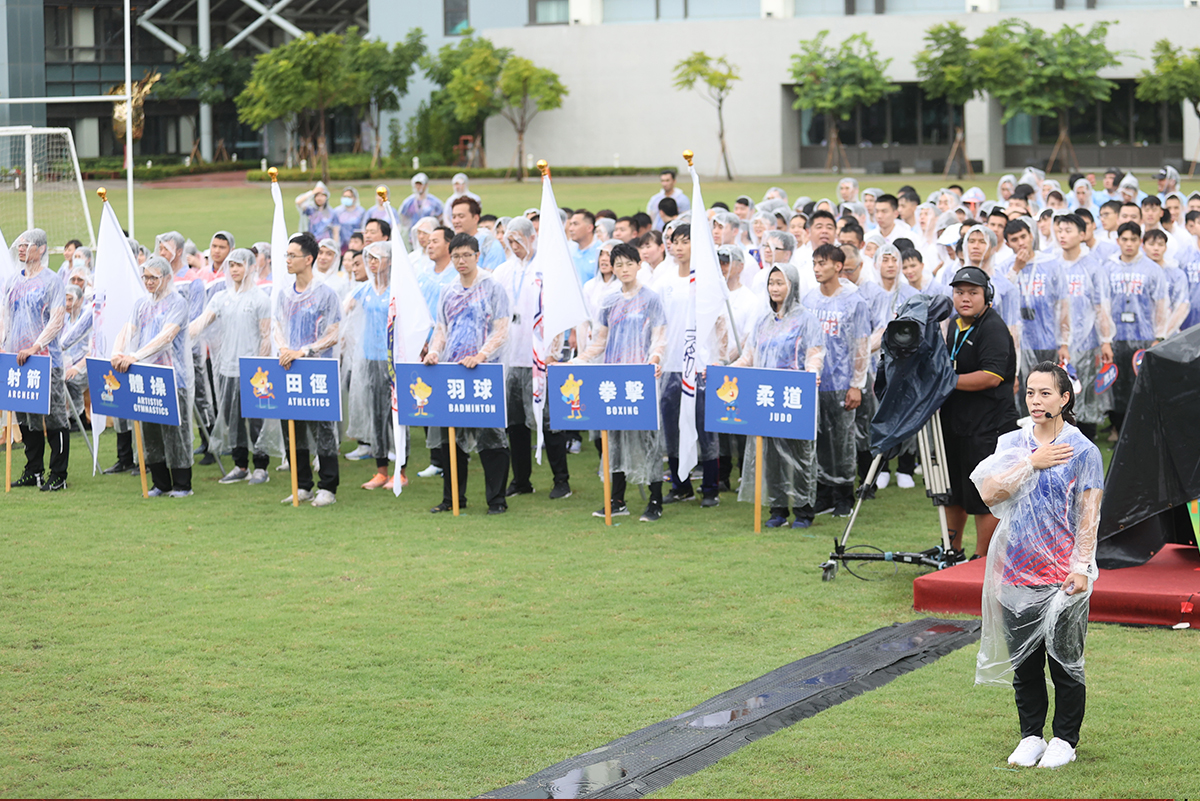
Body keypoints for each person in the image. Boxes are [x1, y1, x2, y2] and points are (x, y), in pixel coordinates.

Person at [973, 361, 1101, 770]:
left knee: (1065, 660)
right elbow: (989, 493)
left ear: (1064, 399)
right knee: (1024, 665)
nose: (1036, 400)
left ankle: (1065, 738)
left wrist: (1082, 566)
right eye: (1030, 392)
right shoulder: (1013, 441)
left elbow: (1089, 512)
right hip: (1016, 570)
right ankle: (1031, 735)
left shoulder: (1084, 450)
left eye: (1045, 393)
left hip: (1063, 574)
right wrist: (1032, 461)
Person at [571, 242, 668, 522]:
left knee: (648, 439)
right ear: (612, 268)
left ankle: (654, 500)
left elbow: (659, 335)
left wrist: (655, 359)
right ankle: (617, 499)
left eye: (629, 263)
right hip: (613, 379)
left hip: (640, 379)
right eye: (619, 265)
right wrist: (579, 360)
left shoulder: (651, 298)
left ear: (639, 265)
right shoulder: (609, 301)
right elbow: (599, 340)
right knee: (613, 439)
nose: (624, 269)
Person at [729, 262, 825, 527]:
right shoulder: (763, 321)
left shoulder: (806, 318)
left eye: (780, 282)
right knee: (771, 456)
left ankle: (804, 510)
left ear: (792, 286)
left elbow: (814, 353)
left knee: (800, 456)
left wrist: (812, 371)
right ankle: (778, 510)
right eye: (772, 283)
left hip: (794, 396)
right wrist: (723, 371)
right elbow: (748, 356)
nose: (775, 288)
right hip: (766, 396)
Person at [422, 233, 512, 515]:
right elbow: (441, 328)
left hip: (484, 370)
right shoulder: (448, 290)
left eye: (466, 255)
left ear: (477, 256)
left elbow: (502, 329)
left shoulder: (492, 287)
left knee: (491, 438)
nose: (461, 261)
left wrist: (481, 355)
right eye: (456, 256)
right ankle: (452, 499)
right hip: (453, 371)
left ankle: (496, 499)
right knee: (452, 436)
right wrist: (435, 352)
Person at [942, 266, 1019, 557]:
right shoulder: (954, 325)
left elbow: (991, 375)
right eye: (959, 292)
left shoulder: (993, 327)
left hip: (988, 426)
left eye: (972, 292)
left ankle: (982, 559)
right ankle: (952, 550)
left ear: (986, 296)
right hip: (957, 422)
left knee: (984, 495)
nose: (964, 298)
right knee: (954, 492)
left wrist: (947, 381)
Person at [495, 217, 572, 500]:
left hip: (539, 357)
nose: (514, 246)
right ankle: (521, 479)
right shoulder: (503, 271)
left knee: (547, 420)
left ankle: (561, 480)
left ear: (531, 238)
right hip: (510, 357)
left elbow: (557, 312)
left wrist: (553, 351)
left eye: (518, 241)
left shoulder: (545, 270)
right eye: (509, 242)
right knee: (515, 423)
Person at [188, 248, 275, 485]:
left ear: (250, 266)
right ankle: (240, 465)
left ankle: (261, 466)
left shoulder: (260, 299)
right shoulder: (221, 298)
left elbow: (266, 335)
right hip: (227, 368)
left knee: (255, 419)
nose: (235, 270)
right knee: (232, 419)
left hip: (253, 370)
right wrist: (181, 335)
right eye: (231, 265)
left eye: (239, 265)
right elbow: (201, 322)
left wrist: (259, 365)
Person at [110, 255, 194, 497]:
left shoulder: (177, 303)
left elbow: (166, 337)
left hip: (171, 375)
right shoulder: (142, 304)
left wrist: (136, 355)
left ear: (166, 278)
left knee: (175, 430)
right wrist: (118, 351)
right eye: (145, 277)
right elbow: (128, 329)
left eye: (153, 277)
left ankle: (182, 483)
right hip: (145, 375)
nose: (148, 281)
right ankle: (160, 482)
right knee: (150, 431)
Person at [274, 232, 342, 507]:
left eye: (293, 255)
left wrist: (305, 350)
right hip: (288, 366)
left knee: (322, 428)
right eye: (287, 255)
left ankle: (328, 485)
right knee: (293, 427)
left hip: (316, 369)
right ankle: (302, 484)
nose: (288, 260)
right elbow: (278, 326)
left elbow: (334, 333)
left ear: (308, 259)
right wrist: (283, 348)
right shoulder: (284, 294)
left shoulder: (325, 293)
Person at [2, 228, 69, 491]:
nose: (20, 249)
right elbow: (5, 316)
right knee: (25, 417)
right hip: (17, 360)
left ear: (40, 249)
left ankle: (59, 474)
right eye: (18, 245)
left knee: (53, 418)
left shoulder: (52, 281)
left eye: (26, 245)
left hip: (44, 359)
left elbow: (57, 319)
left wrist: (36, 345)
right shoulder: (12, 281)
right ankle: (34, 470)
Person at [805, 244, 869, 517]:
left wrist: (857, 384)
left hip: (842, 382)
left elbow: (861, 345)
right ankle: (823, 492)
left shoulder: (854, 302)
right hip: (815, 382)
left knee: (842, 441)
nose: (818, 269)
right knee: (817, 439)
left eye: (823, 263)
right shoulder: (808, 300)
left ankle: (844, 494)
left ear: (838, 266)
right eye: (815, 263)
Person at [345, 241, 399, 490]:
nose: (373, 262)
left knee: (398, 416)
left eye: (378, 257)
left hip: (394, 359)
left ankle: (402, 469)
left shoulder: (399, 290)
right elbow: (345, 316)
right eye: (370, 258)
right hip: (370, 358)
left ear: (389, 260)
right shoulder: (362, 291)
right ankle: (381, 470)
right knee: (377, 415)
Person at [1055, 214, 1114, 441]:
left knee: (1084, 394)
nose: (1062, 235)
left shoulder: (1093, 268)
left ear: (1082, 235)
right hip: (1058, 342)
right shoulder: (1054, 264)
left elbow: (1102, 307)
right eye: (1060, 230)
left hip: (1087, 342)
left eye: (1068, 230)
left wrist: (1105, 340)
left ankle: (1085, 441)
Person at [1003, 219, 1070, 417]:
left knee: (1047, 391)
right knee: (1024, 392)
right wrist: (1016, 268)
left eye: (1024, 236)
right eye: (1014, 240)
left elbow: (1063, 305)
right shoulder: (1004, 267)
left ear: (1032, 236)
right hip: (1016, 343)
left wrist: (1064, 342)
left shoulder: (1051, 264)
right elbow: (1001, 300)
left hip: (1046, 340)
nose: (1021, 243)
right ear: (1007, 244)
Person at [1107, 222, 1169, 434]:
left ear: (1140, 242)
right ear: (1118, 241)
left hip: (1143, 336)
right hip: (1116, 337)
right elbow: (1102, 305)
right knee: (1117, 384)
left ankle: (1140, 429)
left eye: (1133, 239)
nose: (1129, 244)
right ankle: (1117, 427)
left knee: (1140, 385)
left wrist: (1158, 336)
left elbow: (1161, 304)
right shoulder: (1108, 268)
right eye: (1124, 239)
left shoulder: (1152, 269)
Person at [449, 196, 505, 271]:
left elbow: (492, 276)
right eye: (454, 217)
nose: (456, 221)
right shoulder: (452, 242)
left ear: (476, 218)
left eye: (461, 216)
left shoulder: (489, 244)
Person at [567, 209, 601, 283]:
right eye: (570, 224)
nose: (570, 229)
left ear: (589, 228)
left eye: (575, 224)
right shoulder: (569, 252)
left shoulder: (601, 251)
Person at [331, 187, 367, 254]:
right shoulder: (337, 212)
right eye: (344, 196)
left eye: (349, 197)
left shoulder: (361, 211)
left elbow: (363, 229)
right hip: (342, 245)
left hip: (356, 246)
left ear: (355, 198)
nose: (346, 198)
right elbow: (335, 230)